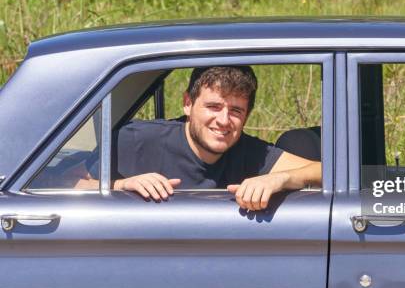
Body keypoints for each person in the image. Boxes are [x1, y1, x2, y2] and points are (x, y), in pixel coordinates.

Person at [82, 66, 321, 210]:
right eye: (213, 107)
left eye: (236, 111)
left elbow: (324, 171)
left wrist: (279, 179)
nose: (224, 120)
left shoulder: (253, 154)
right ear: (188, 104)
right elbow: (58, 181)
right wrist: (121, 186)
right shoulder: (137, 140)